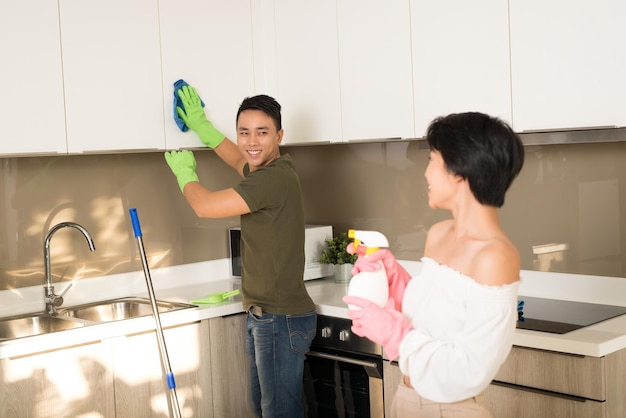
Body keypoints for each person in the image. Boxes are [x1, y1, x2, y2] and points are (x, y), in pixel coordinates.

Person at [343, 112, 525, 418]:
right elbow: (430, 316)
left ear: (458, 170)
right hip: (405, 398)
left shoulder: (495, 257)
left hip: (452, 410)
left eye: (431, 159)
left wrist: (396, 335)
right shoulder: (439, 234)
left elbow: (469, 371)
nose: (426, 173)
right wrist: (393, 277)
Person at [164, 85, 316, 418]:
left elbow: (204, 206)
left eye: (262, 132)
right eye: (244, 132)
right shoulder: (272, 170)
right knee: (267, 411)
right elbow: (237, 157)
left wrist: (185, 173)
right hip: (266, 316)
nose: (251, 141)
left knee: (278, 413)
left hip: (279, 319)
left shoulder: (270, 180)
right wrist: (202, 126)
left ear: (279, 135)